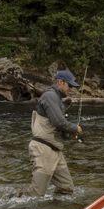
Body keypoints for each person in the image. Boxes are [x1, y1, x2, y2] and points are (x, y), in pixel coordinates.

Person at [14, 70, 82, 198]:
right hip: (43, 149)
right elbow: (58, 122)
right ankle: (8, 200)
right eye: (70, 85)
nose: (71, 89)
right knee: (37, 193)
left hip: (56, 151)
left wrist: (69, 135)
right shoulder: (49, 96)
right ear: (60, 82)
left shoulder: (56, 99)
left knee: (66, 188)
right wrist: (75, 128)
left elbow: (56, 127)